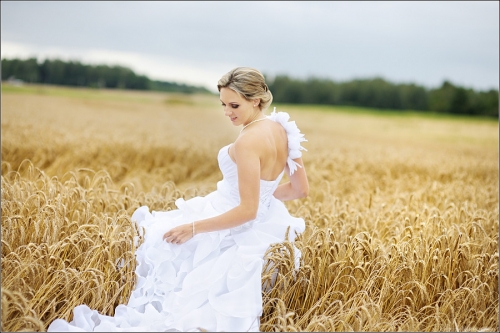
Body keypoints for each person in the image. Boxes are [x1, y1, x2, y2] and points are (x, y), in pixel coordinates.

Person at [48, 67, 309, 332]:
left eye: (234, 105)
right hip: (258, 226)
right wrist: (261, 195)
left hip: (228, 227)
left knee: (161, 255)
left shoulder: (248, 142)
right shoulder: (282, 129)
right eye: (222, 104)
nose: (227, 112)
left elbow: (247, 210)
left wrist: (193, 228)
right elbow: (299, 190)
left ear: (256, 100)